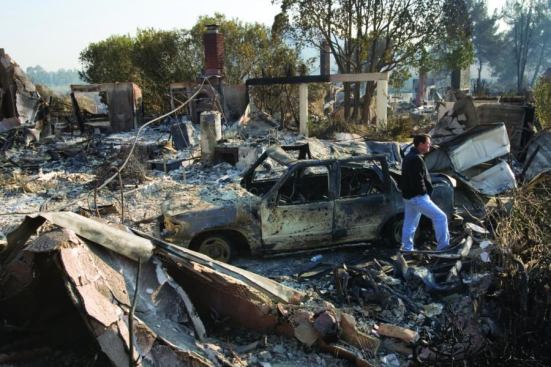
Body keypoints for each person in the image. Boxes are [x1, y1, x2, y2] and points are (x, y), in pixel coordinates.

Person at [400, 134, 449, 252]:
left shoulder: (409, 156)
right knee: (441, 217)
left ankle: (407, 248)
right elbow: (418, 180)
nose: (430, 145)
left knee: (410, 224)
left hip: (409, 197)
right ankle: (443, 247)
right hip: (417, 197)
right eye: (428, 143)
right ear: (421, 144)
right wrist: (424, 193)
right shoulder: (416, 159)